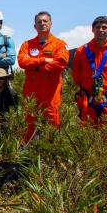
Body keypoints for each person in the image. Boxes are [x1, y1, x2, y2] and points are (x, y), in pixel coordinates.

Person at [17, 11, 69, 140]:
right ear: (35, 26)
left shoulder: (60, 44)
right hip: (31, 92)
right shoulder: (27, 45)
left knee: (52, 124)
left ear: (51, 24)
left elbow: (60, 64)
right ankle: (26, 150)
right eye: (39, 21)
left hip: (50, 94)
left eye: (45, 21)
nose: (42, 23)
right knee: (29, 124)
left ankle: (52, 150)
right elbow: (22, 62)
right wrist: (43, 60)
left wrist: (35, 66)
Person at [71, 15, 107, 127]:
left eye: (104, 27)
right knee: (87, 130)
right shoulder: (81, 51)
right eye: (98, 27)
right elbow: (76, 74)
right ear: (92, 29)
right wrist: (86, 87)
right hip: (88, 97)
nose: (101, 30)